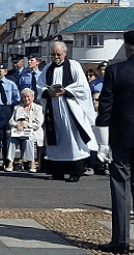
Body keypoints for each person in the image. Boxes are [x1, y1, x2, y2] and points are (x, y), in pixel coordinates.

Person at [95, 30, 134, 254]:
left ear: (126, 49)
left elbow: (105, 108)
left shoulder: (115, 70)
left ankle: (121, 240)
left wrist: (102, 143)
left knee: (120, 187)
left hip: (121, 136)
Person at [37, 41, 95, 182]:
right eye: (53, 54)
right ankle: (58, 172)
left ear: (65, 53)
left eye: (58, 54)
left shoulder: (73, 65)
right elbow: (39, 85)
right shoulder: (48, 68)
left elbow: (82, 86)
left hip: (71, 110)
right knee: (56, 141)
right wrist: (47, 92)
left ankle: (75, 172)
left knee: (72, 140)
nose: (56, 57)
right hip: (54, 110)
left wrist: (66, 90)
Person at [0, 62, 20, 168]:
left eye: (1, 71)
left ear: (5, 72)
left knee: (7, 136)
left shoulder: (11, 84)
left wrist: (11, 108)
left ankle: (7, 162)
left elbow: (17, 97)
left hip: (7, 109)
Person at [6, 88, 44, 173]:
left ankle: (32, 163)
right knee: (11, 140)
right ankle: (10, 163)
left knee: (29, 140)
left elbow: (38, 123)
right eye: (24, 97)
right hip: (18, 132)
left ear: (33, 97)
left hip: (33, 131)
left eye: (28, 96)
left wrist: (26, 125)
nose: (26, 99)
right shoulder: (17, 108)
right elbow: (11, 121)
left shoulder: (38, 108)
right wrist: (17, 124)